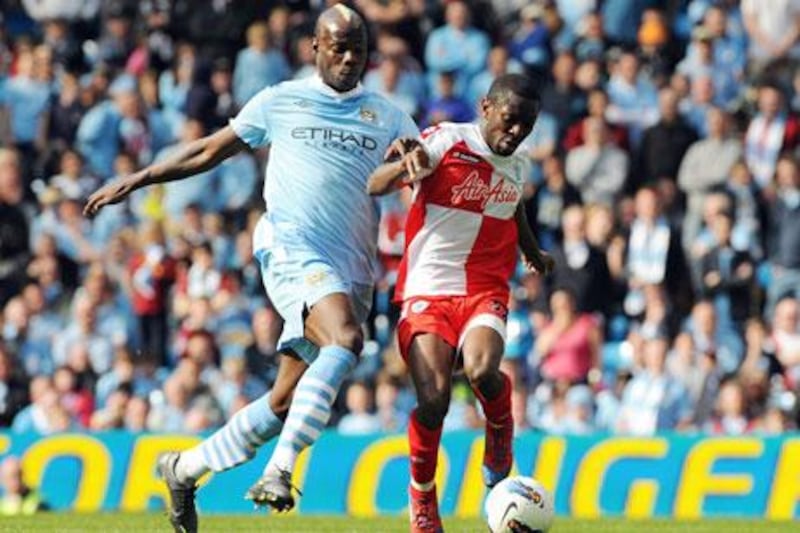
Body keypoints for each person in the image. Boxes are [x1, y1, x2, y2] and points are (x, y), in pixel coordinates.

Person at [83, 5, 418, 531]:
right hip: (292, 248)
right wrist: (142, 176)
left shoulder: (390, 115)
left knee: (284, 402)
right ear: (314, 48)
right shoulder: (281, 101)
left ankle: (184, 468)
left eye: (358, 48)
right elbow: (210, 151)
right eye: (338, 46)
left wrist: (414, 167)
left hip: (351, 267)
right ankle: (280, 471)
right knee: (346, 341)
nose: (349, 57)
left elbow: (420, 172)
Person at [367, 73, 553, 533]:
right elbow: (377, 184)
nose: (515, 133)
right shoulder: (446, 140)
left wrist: (531, 250)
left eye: (526, 127)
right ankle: (423, 500)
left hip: (485, 287)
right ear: (486, 107)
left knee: (483, 370)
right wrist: (404, 167)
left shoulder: (518, 163)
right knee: (433, 400)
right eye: (510, 121)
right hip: (427, 289)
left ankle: (500, 433)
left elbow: (514, 207)